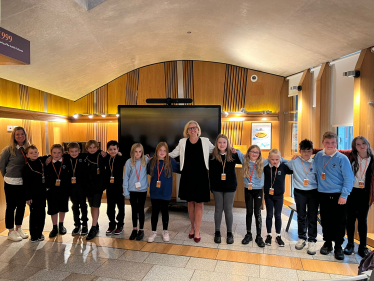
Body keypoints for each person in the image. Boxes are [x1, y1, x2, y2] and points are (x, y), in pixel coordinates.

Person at [169, 120, 214, 243]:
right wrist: (159, 156)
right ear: (187, 131)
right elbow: (173, 154)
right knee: (190, 203)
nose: (193, 130)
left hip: (202, 176)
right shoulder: (182, 142)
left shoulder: (205, 141)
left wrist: (231, 149)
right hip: (187, 176)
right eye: (190, 128)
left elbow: (217, 150)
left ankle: (197, 230)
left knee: (199, 203)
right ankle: (192, 227)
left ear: (198, 129)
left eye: (195, 127)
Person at [314, 131, 354, 260]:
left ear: (337, 143)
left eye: (333, 142)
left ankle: (338, 246)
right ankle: (327, 243)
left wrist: (344, 195)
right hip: (323, 194)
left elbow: (349, 178)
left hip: (338, 195)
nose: (330, 145)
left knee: (339, 222)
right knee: (325, 221)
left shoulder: (342, 158)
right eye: (327, 142)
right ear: (323, 143)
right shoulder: (318, 156)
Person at [342, 136, 373, 257]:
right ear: (355, 146)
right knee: (350, 219)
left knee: (362, 220)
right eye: (358, 144)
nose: (361, 146)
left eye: (363, 143)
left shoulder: (372, 158)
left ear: (367, 144)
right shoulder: (351, 156)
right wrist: (311, 150)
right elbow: (333, 149)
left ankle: (363, 246)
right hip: (352, 191)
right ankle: (350, 244)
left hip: (365, 193)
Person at [286, 139, 319, 255]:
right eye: (304, 151)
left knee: (312, 216)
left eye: (309, 151)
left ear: (312, 151)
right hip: (299, 192)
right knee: (301, 215)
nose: (306, 154)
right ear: (300, 151)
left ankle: (312, 240)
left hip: (313, 192)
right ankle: (302, 237)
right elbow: (281, 162)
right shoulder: (294, 161)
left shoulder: (316, 162)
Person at [209, 134, 241, 244]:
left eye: (224, 142)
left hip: (230, 186)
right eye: (220, 142)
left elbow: (245, 159)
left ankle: (229, 232)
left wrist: (238, 151)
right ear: (216, 144)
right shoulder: (212, 156)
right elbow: (211, 173)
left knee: (228, 209)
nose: (222, 144)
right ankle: (217, 232)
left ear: (227, 144)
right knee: (218, 209)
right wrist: (211, 186)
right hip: (217, 187)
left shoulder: (233, 155)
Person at [0, 126, 30, 241]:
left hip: (23, 182)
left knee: (21, 206)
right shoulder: (8, 149)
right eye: (17, 134)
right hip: (11, 182)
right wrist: (7, 176)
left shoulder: (27, 148)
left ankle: (18, 228)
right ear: (14, 136)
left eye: (22, 134)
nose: (20, 136)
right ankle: (11, 231)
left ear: (25, 135)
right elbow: (2, 166)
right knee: (11, 206)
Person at [147, 142, 180, 242]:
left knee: (165, 211)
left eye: (164, 150)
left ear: (167, 152)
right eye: (160, 150)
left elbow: (181, 168)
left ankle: (165, 231)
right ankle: (153, 232)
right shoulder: (152, 161)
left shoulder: (171, 161)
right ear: (156, 151)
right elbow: (145, 170)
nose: (162, 152)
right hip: (154, 191)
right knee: (155, 212)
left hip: (166, 191)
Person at [237, 145, 266, 248]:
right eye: (252, 152)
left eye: (256, 152)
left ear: (259, 154)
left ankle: (259, 236)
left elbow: (276, 159)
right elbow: (236, 150)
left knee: (257, 212)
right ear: (248, 152)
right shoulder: (244, 159)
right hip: (248, 190)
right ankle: (248, 234)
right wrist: (234, 149)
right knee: (249, 211)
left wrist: (295, 157)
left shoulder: (263, 162)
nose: (254, 154)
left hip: (258, 190)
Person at [263, 149, 293, 247]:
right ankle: (269, 235)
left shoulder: (283, 167)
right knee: (269, 215)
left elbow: (293, 168)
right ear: (269, 159)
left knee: (278, 215)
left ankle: (278, 236)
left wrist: (287, 160)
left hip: (279, 196)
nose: (275, 161)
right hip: (268, 196)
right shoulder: (266, 168)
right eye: (272, 159)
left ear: (280, 159)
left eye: (277, 159)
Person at [123, 143, 149, 241]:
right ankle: (134, 229)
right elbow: (126, 178)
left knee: (141, 209)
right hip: (132, 190)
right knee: (134, 210)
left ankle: (141, 230)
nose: (138, 154)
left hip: (142, 190)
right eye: (136, 152)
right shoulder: (129, 162)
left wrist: (148, 157)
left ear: (142, 152)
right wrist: (126, 191)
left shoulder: (145, 160)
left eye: (140, 152)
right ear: (132, 152)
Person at [23, 145, 48, 242]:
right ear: (27, 155)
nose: (34, 154)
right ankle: (33, 234)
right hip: (32, 195)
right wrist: (27, 197)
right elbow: (25, 184)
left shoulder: (42, 162)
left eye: (36, 152)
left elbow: (50, 156)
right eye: (31, 153)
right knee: (34, 214)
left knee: (42, 213)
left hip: (42, 193)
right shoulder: (26, 167)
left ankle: (39, 233)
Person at [63, 142, 89, 236]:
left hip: (82, 187)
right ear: (68, 152)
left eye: (76, 151)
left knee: (83, 206)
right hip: (71, 188)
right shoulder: (65, 158)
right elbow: (55, 154)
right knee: (75, 206)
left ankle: (85, 225)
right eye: (71, 151)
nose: (74, 153)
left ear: (79, 151)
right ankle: (77, 225)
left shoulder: (83, 157)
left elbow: (94, 152)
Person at [45, 144, 70, 238]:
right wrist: (48, 157)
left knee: (63, 208)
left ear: (62, 153)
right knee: (53, 209)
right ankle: (54, 227)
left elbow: (73, 154)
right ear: (51, 153)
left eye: (59, 152)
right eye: (54, 152)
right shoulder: (47, 162)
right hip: (51, 190)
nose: (56, 154)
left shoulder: (66, 161)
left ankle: (61, 225)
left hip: (64, 189)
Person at [103, 140, 126, 235]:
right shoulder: (106, 158)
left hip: (119, 186)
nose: (113, 151)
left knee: (121, 206)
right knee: (110, 207)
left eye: (115, 149)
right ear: (107, 150)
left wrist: (120, 155)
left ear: (118, 149)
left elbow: (129, 159)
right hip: (110, 187)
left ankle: (120, 224)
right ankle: (112, 223)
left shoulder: (121, 159)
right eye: (110, 149)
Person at [85, 140, 106, 240]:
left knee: (96, 205)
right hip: (88, 186)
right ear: (87, 149)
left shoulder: (102, 156)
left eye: (94, 147)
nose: (92, 149)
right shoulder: (85, 157)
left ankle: (93, 228)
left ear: (98, 148)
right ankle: (95, 223)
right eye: (90, 147)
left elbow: (112, 156)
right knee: (91, 205)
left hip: (98, 186)